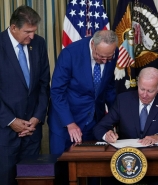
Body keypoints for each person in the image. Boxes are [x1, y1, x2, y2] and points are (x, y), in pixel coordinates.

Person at [93, 67, 158, 185]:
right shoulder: (123, 100)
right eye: (142, 89)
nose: (144, 95)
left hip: (156, 164)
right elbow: (99, 128)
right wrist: (106, 135)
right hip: (126, 162)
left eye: (150, 91)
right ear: (137, 84)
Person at [48, 30, 119, 184]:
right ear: (93, 44)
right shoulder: (70, 53)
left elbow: (109, 87)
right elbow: (57, 91)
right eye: (101, 56)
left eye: (109, 57)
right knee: (63, 171)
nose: (106, 61)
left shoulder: (112, 52)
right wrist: (70, 123)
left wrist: (116, 116)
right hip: (65, 121)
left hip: (94, 120)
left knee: (92, 168)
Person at [0, 5, 50, 185]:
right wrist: (11, 121)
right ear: (13, 27)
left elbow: (44, 85)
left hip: (32, 131)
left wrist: (37, 117)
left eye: (34, 31)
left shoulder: (39, 44)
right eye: (27, 32)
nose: (32, 36)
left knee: (32, 180)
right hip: (4, 133)